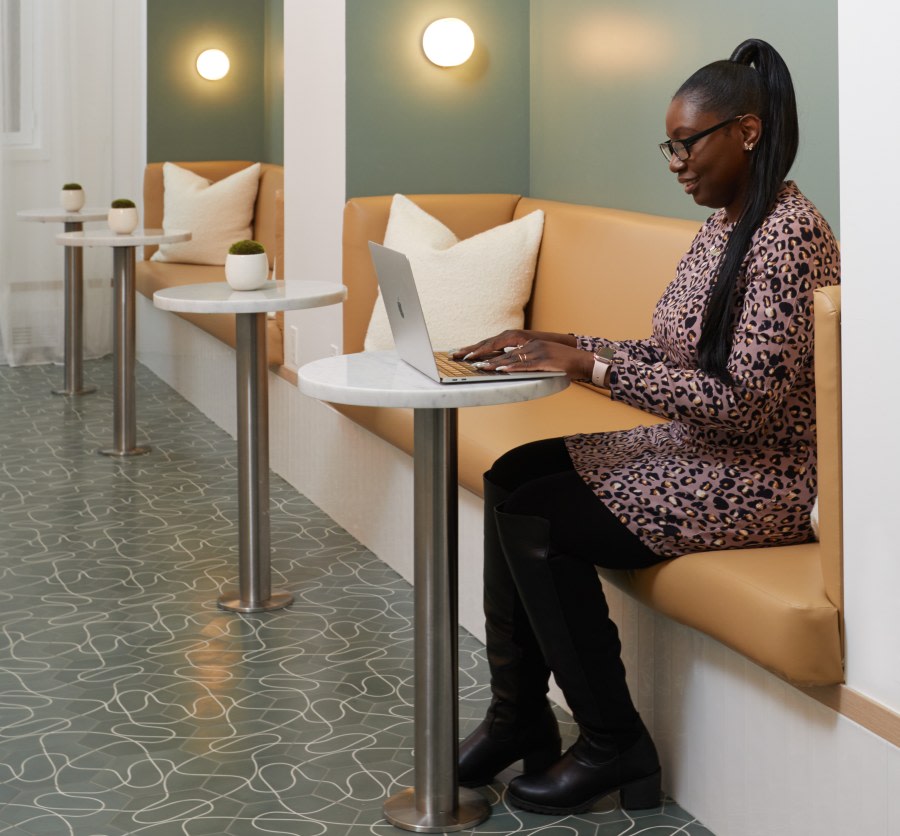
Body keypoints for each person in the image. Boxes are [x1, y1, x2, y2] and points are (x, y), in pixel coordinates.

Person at [450, 38, 840, 816]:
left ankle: (612, 743)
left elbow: (744, 404)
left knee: (539, 514)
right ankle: (518, 715)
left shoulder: (789, 235)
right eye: (671, 145)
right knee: (513, 475)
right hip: (701, 450)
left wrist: (586, 369)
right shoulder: (725, 226)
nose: (676, 160)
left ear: (748, 132)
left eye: (688, 142)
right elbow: (668, 355)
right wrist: (559, 343)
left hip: (764, 477)